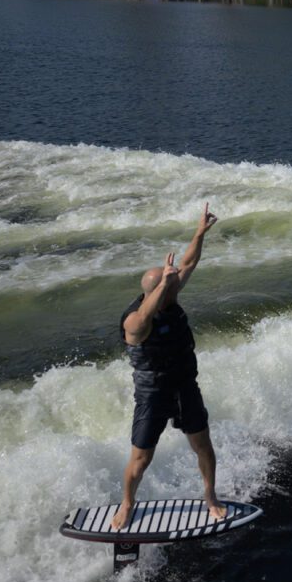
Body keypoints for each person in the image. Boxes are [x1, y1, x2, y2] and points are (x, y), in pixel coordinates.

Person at [112, 203, 224, 529]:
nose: (180, 285)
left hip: (184, 385)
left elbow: (189, 262)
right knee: (141, 458)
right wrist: (163, 285)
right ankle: (127, 504)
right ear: (159, 291)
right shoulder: (136, 322)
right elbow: (140, 322)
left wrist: (200, 231)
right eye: (173, 285)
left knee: (202, 445)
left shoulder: (171, 295)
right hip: (154, 393)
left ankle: (210, 496)